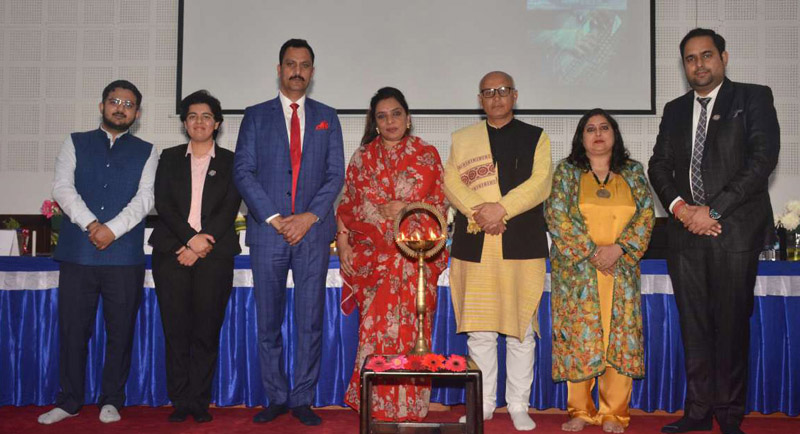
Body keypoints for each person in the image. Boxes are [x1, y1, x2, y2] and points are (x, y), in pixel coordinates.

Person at [648, 28, 780, 434]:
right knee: (695, 326)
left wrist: (714, 209)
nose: (699, 64)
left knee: (731, 325)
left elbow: (762, 161)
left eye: (706, 55)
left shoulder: (753, 97)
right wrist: (682, 210)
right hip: (685, 233)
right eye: (690, 58)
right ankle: (698, 412)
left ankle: (729, 416)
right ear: (683, 65)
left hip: (734, 231)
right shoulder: (673, 109)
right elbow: (658, 166)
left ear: (723, 57)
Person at [233, 38, 345, 426]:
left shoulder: (327, 116)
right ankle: (276, 396)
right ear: (279, 69)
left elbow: (335, 175)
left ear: (312, 72)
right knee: (268, 321)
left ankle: (302, 397)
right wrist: (276, 218)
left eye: (304, 65)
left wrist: (308, 217)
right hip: (269, 233)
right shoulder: (255, 116)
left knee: (310, 320)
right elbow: (243, 171)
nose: (297, 71)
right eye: (290, 64)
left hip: (313, 233)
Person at [39, 80, 157, 425]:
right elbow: (62, 187)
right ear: (102, 105)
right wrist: (93, 226)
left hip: (124, 257)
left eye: (129, 104)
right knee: (74, 330)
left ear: (137, 112)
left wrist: (112, 230)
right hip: (79, 254)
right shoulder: (75, 142)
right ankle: (70, 400)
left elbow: (146, 198)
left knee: (120, 331)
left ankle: (112, 399)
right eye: (114, 101)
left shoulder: (148, 150)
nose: (121, 107)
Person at [443, 71, 552, 431]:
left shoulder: (536, 137)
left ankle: (518, 403)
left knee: (520, 328)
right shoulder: (463, 140)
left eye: (503, 91)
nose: (496, 98)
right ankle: (485, 402)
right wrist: (481, 211)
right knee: (481, 329)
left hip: (521, 242)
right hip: (475, 243)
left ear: (515, 95)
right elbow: (451, 183)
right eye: (488, 92)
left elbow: (540, 184)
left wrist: (500, 209)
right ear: (480, 99)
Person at [336, 87, 449, 421]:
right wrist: (343, 243)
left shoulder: (427, 154)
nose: (390, 121)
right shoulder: (361, 158)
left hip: (416, 262)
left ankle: (412, 406)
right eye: (382, 116)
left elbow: (439, 206)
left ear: (408, 117)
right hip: (375, 263)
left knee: (415, 332)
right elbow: (348, 205)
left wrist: (408, 208)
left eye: (396, 113)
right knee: (374, 333)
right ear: (375, 121)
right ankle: (377, 405)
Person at [545, 109, 655, 433]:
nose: (597, 134)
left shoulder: (633, 172)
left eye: (604, 127)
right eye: (590, 129)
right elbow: (556, 216)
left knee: (618, 339)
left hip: (621, 269)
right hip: (578, 273)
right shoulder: (567, 172)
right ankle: (580, 410)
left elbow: (646, 216)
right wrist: (592, 252)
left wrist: (619, 249)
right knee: (579, 339)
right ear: (581, 137)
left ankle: (614, 413)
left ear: (614, 134)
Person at [148, 90, 241, 423]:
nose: (199, 121)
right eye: (192, 116)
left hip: (215, 256)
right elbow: (164, 204)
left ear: (217, 123)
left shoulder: (232, 161)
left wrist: (202, 244)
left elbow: (230, 207)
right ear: (184, 123)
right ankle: (180, 399)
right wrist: (190, 241)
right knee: (176, 329)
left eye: (206, 116)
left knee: (205, 329)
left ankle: (199, 400)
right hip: (170, 251)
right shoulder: (169, 157)